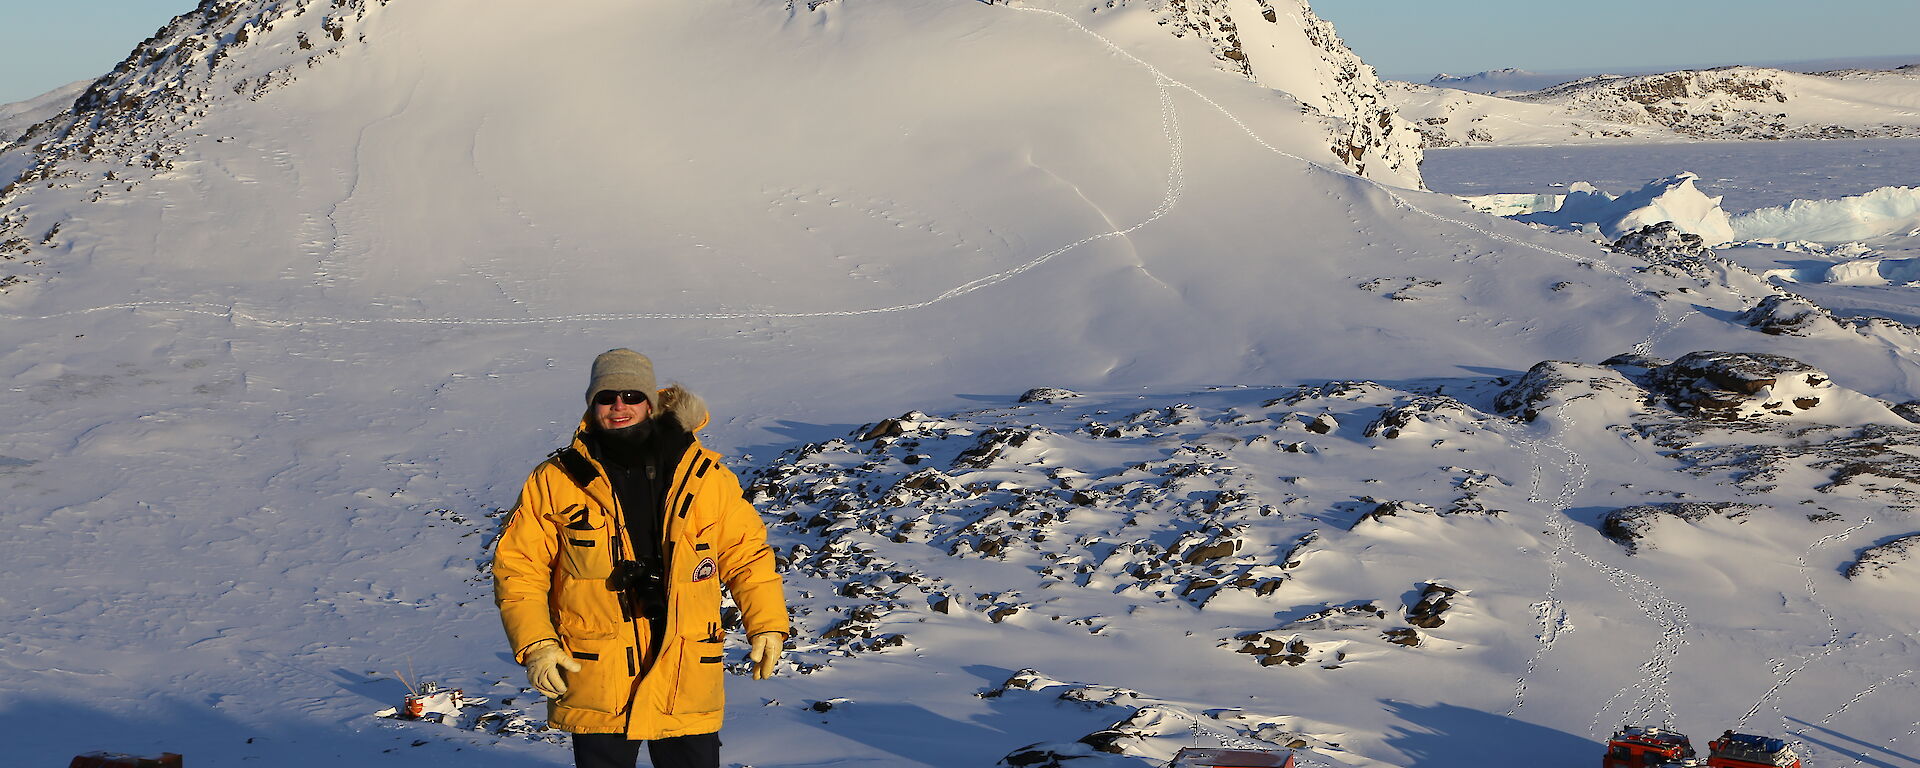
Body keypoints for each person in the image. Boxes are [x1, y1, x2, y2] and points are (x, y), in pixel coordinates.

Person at [494, 348, 789, 768]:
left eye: (632, 395)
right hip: (598, 673)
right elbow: (518, 567)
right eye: (606, 396)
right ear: (591, 404)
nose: (619, 406)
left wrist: (768, 624)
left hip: (685, 667)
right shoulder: (556, 480)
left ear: (651, 402)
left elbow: (747, 555)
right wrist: (537, 645)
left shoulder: (706, 476)